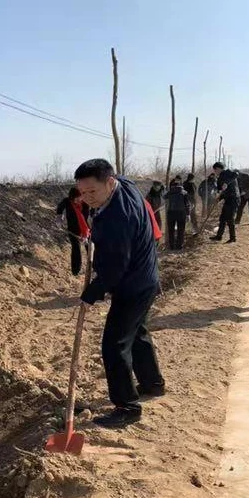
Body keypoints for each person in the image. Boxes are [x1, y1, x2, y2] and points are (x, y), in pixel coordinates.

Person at [74, 159, 165, 429]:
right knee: (136, 332)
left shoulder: (116, 219)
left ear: (109, 182)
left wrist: (91, 293)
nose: (87, 198)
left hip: (132, 285)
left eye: (92, 192)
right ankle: (152, 384)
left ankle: (127, 407)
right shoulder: (125, 184)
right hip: (145, 277)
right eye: (82, 192)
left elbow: (115, 268)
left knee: (114, 345)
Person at [56, 187, 90, 275]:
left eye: (79, 197)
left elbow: (90, 218)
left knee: (90, 248)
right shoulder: (67, 201)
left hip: (86, 229)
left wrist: (85, 235)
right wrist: (59, 218)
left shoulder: (87, 203)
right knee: (76, 248)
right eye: (75, 199)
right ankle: (76, 271)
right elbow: (60, 208)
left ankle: (95, 268)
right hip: (73, 230)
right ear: (71, 198)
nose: (78, 200)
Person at [210, 161, 240, 243]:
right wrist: (218, 199)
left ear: (219, 168)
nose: (215, 171)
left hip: (234, 198)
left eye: (215, 169)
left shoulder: (228, 172)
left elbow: (236, 174)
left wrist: (227, 183)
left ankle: (232, 238)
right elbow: (221, 191)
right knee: (222, 218)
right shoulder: (219, 178)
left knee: (230, 219)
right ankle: (219, 236)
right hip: (227, 199)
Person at [165, 180, 190, 250]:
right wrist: (188, 214)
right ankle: (179, 246)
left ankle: (171, 246)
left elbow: (164, 196)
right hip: (181, 213)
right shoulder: (184, 192)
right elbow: (187, 204)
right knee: (181, 230)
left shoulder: (170, 192)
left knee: (171, 230)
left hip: (171, 213)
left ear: (172, 186)